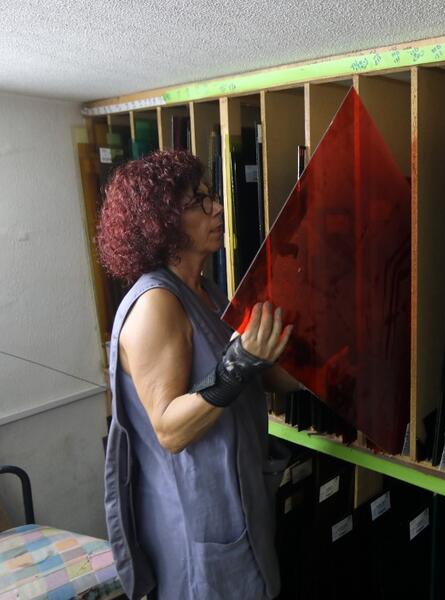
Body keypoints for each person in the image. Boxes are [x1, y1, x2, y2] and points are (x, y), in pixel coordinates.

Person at [97, 149, 300, 600]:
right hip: (198, 520)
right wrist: (241, 360)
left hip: (238, 502)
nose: (218, 209)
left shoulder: (205, 290)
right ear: (159, 221)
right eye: (199, 202)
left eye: (211, 197)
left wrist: (319, 373)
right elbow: (169, 428)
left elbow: (255, 376)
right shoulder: (155, 304)